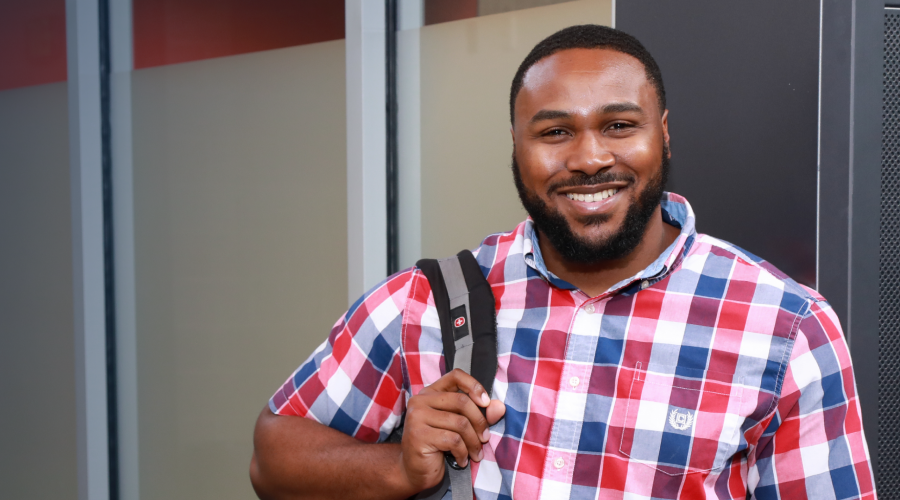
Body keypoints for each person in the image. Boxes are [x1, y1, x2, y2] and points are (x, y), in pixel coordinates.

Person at [250, 25, 876, 499]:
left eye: (619, 125)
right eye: (554, 133)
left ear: (663, 133)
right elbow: (273, 458)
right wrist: (399, 467)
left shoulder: (786, 328)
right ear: (516, 147)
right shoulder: (430, 302)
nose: (588, 158)